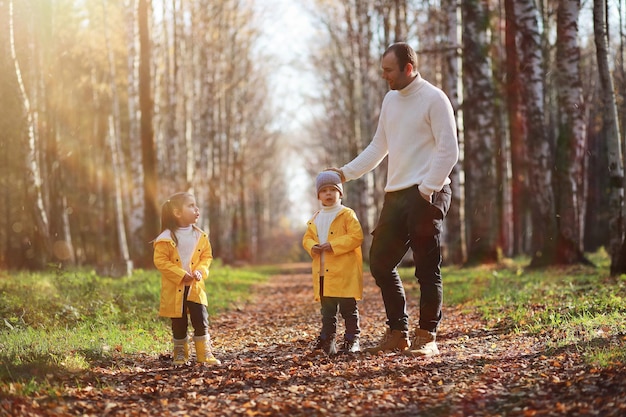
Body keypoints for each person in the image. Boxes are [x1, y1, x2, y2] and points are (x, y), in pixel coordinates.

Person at [330, 42, 459, 357]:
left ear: (408, 68)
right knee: (380, 262)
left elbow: (449, 149)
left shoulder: (434, 98)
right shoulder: (390, 100)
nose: (384, 76)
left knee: (426, 267)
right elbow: (378, 147)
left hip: (428, 191)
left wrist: (427, 189)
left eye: (389, 70)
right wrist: (343, 174)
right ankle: (398, 332)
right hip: (397, 194)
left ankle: (427, 335)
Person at [153, 192, 221, 366]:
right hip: (175, 287)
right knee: (179, 321)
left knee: (201, 319)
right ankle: (181, 353)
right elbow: (161, 261)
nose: (196, 209)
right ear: (177, 212)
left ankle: (204, 353)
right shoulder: (165, 238)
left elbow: (207, 257)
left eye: (196, 205)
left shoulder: (200, 236)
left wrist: (200, 271)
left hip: (196, 287)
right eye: (191, 205)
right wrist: (181, 274)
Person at [302, 171, 364, 355]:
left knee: (348, 309)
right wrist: (312, 246)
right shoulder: (316, 217)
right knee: (327, 310)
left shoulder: (346, 214)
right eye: (324, 190)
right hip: (323, 273)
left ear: (340, 193)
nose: (328, 194)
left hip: (344, 271)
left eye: (332, 190)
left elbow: (356, 236)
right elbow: (307, 238)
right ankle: (327, 340)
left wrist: (334, 245)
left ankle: (353, 339)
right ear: (318, 195)